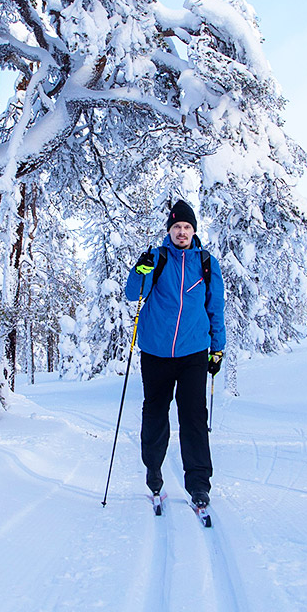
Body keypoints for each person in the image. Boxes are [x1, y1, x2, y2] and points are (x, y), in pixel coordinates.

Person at [125, 199, 226, 510]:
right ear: (169, 230)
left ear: (193, 230)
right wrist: (139, 270)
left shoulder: (207, 263)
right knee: (155, 414)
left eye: (186, 227)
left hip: (193, 352)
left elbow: (215, 308)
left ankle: (198, 485)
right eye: (176, 227)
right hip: (155, 352)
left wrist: (217, 347)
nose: (181, 232)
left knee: (194, 416)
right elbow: (133, 294)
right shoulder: (157, 258)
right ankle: (154, 474)